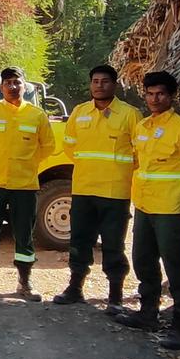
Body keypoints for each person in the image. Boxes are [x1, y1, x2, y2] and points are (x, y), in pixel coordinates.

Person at [113, 70, 180, 350]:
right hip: (144, 206)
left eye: (160, 94)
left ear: (171, 96)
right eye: (150, 94)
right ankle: (147, 314)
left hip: (170, 209)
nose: (154, 99)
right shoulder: (142, 127)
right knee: (143, 261)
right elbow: (139, 163)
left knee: (176, 267)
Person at [53, 65, 142, 313]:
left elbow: (140, 152)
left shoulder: (130, 115)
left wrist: (116, 169)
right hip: (83, 189)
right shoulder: (80, 112)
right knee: (79, 241)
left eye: (104, 81)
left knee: (113, 245)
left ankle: (115, 296)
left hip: (115, 192)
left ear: (114, 85)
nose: (99, 85)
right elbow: (70, 146)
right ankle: (75, 288)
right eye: (95, 81)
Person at [0, 67, 55, 300]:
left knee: (24, 233)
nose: (13, 87)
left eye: (17, 82)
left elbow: (47, 147)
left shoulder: (36, 115)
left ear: (24, 86)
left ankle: (25, 283)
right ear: (1, 88)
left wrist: (26, 163)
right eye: (8, 83)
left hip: (24, 185)